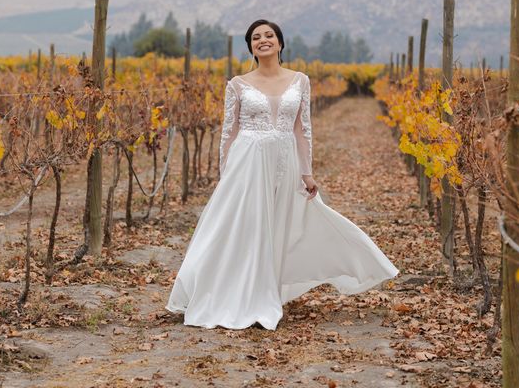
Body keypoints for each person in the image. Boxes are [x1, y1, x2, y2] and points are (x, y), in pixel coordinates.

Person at [165, 19, 399, 330]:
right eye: (256, 37)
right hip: (248, 161)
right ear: (250, 46)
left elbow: (303, 129)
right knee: (246, 227)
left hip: (285, 160)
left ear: (280, 42)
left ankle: (272, 285)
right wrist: (227, 175)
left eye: (269, 35)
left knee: (279, 225)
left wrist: (307, 172)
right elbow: (228, 132)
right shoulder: (237, 84)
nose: (263, 40)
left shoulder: (300, 81)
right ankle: (231, 291)